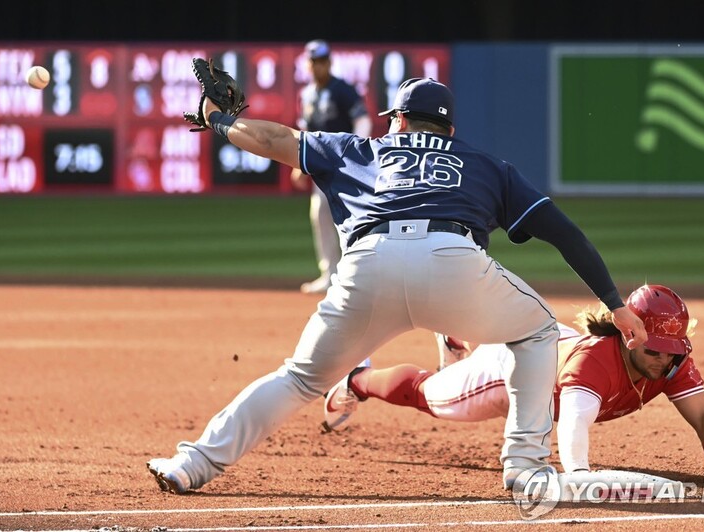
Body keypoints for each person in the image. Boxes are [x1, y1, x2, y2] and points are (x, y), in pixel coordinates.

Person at [147, 75, 648, 495]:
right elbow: (564, 232)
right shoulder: (486, 165)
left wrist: (220, 120)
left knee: (299, 379)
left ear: (399, 120)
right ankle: (525, 468)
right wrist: (614, 304)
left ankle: (191, 465)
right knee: (537, 332)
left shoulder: (357, 150)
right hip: (454, 267)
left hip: (368, 269)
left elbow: (275, 140)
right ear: (450, 129)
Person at [323, 285, 704, 480]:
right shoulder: (596, 364)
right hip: (509, 371)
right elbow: (571, 428)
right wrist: (581, 474)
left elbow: (703, 414)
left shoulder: (672, 359)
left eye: (672, 350)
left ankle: (457, 339)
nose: (664, 360)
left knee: (440, 387)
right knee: (430, 396)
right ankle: (357, 379)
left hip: (554, 350)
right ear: (629, 335)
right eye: (655, 349)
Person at [292, 40, 372, 294]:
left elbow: (362, 121)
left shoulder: (343, 90)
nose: (316, 66)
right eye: (312, 62)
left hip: (347, 165)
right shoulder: (307, 94)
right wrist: (298, 162)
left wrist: (356, 152)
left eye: (321, 62)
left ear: (329, 63)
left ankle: (359, 275)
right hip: (322, 166)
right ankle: (330, 274)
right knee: (320, 214)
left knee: (356, 217)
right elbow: (305, 132)